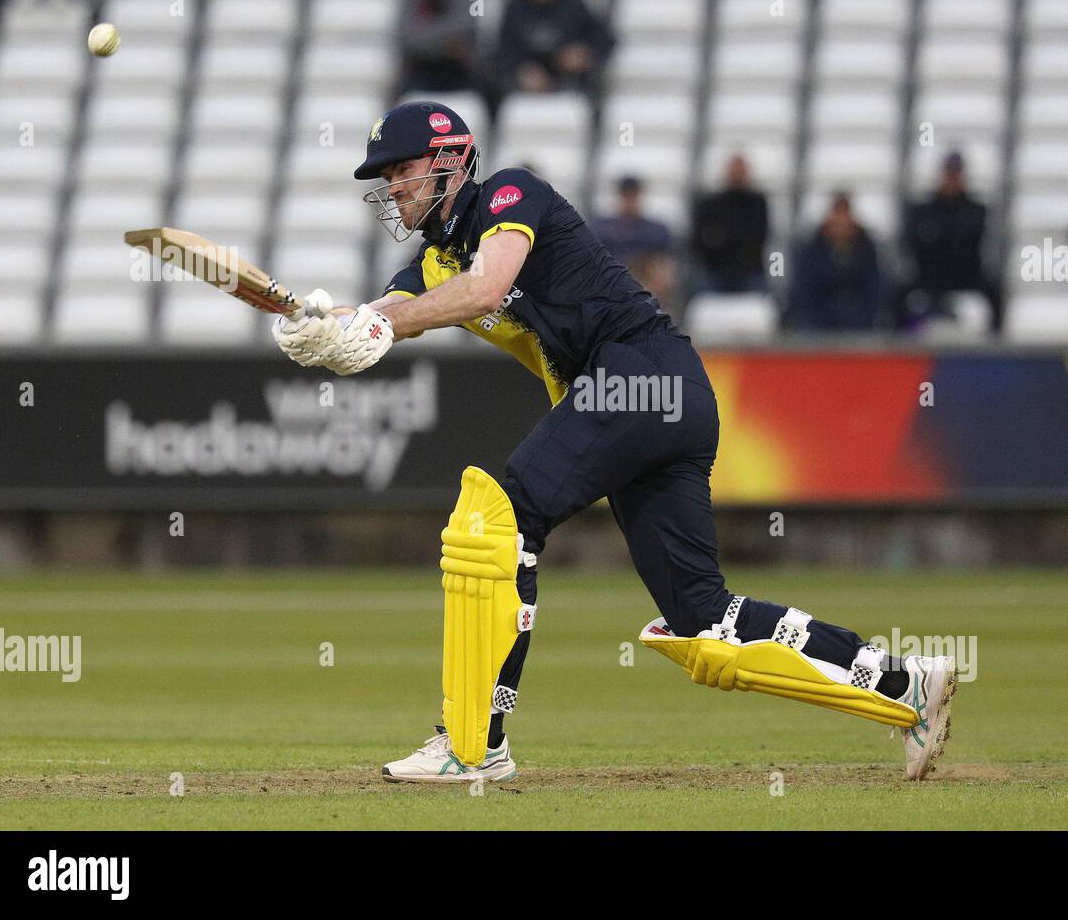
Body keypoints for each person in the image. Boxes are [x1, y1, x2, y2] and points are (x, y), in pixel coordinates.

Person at [270, 100, 957, 784]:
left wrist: (379, 324)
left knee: (495, 520)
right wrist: (326, 327)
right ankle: (906, 685)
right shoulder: (431, 264)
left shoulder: (512, 193)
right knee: (701, 622)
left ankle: (474, 746)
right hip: (660, 399)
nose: (392, 186)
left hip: (640, 375)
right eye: (384, 176)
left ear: (452, 160)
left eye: (402, 169)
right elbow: (386, 314)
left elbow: (486, 288)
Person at [899, 151, 998, 331]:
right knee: (898, 293)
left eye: (956, 174)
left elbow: (970, 245)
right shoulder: (923, 210)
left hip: (966, 275)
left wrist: (938, 238)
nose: (952, 179)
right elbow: (912, 244)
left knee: (995, 291)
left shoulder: (976, 210)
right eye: (949, 174)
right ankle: (899, 344)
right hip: (930, 275)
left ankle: (996, 343)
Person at [493, 0, 614, 96]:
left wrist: (584, 54)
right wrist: (521, 70)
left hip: (570, 80)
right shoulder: (515, 9)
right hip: (524, 83)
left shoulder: (574, 5)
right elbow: (502, 49)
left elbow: (604, 38)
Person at [788, 193, 885, 332]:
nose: (841, 223)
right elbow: (803, 289)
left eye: (844, 216)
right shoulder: (811, 250)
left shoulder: (866, 250)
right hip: (819, 319)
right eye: (837, 216)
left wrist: (864, 315)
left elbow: (875, 287)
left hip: (857, 318)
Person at [591, 175, 679, 317]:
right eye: (626, 195)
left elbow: (663, 263)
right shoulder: (603, 227)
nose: (629, 200)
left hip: (644, 279)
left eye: (633, 195)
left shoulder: (655, 229)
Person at [690, 153, 769, 295]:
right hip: (714, 268)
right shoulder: (710, 202)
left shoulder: (758, 202)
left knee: (762, 298)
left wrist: (722, 238)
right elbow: (700, 239)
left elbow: (759, 237)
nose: (737, 174)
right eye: (734, 169)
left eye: (741, 169)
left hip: (749, 269)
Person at [397, 0, 479, 97]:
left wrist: (426, 37)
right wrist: (446, 45)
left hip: (459, 76)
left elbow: (468, 31)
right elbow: (407, 39)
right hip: (420, 76)